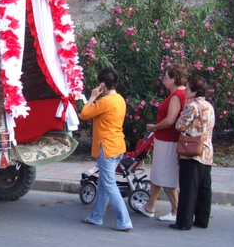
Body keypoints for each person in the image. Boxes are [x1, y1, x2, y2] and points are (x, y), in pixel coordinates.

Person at [79, 68, 133, 232]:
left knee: (109, 185)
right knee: (103, 183)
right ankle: (96, 217)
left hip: (107, 148)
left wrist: (93, 96)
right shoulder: (119, 99)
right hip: (117, 146)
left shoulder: (105, 101)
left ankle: (124, 221)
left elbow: (84, 113)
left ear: (103, 84)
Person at [134, 64, 187, 221]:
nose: (164, 80)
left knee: (166, 175)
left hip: (168, 140)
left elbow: (170, 120)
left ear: (174, 78)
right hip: (166, 140)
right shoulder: (181, 94)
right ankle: (150, 205)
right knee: (158, 173)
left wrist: (155, 127)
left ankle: (176, 210)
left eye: (166, 77)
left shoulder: (177, 95)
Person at [170, 75, 215, 230]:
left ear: (195, 91)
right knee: (204, 188)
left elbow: (179, 125)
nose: (186, 91)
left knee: (188, 188)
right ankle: (202, 219)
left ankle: (184, 221)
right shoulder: (209, 106)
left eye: (188, 88)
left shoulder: (193, 106)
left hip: (192, 151)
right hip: (207, 151)